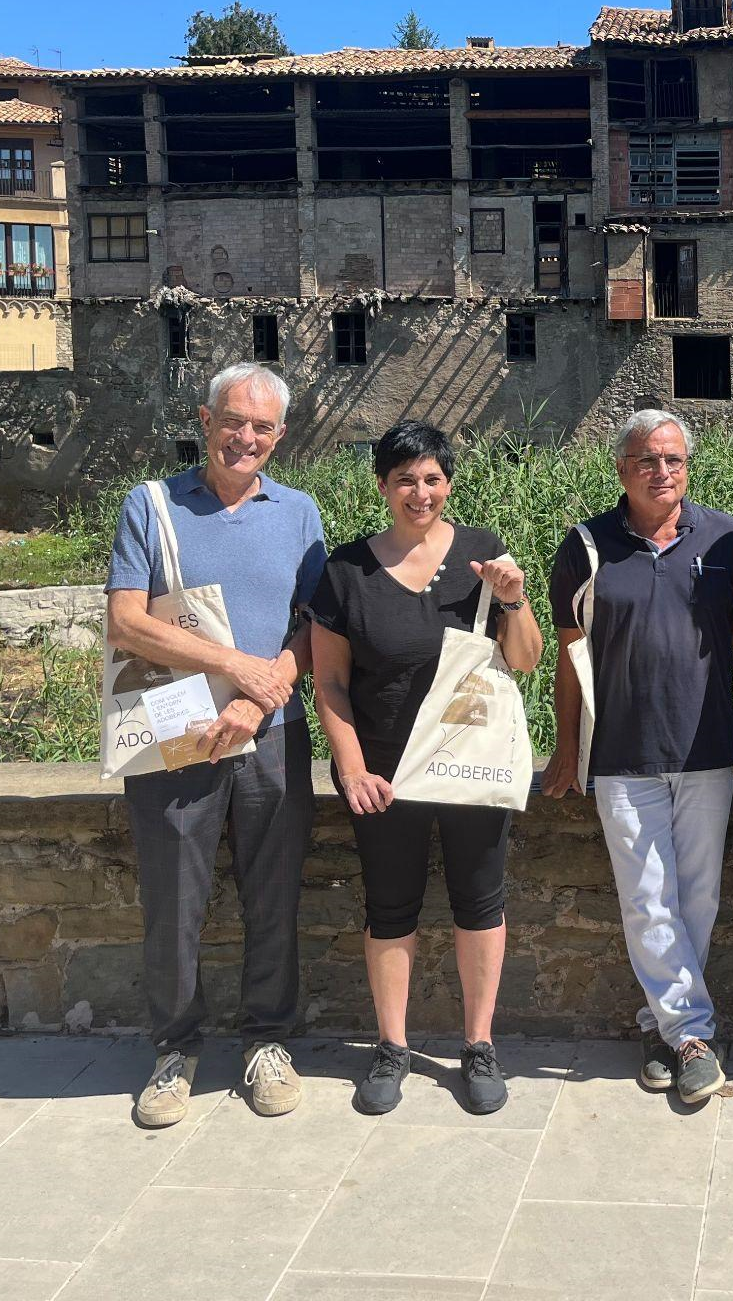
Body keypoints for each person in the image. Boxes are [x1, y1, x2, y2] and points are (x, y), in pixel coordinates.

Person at [106, 362, 327, 1129]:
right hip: (178, 732)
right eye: (233, 421)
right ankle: (174, 1051)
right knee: (173, 902)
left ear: (280, 436)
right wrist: (237, 667)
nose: (245, 437)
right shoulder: (151, 504)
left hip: (274, 734)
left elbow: (314, 626)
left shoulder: (300, 512)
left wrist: (261, 695)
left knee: (274, 897)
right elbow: (125, 623)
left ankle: (268, 1042)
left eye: (262, 427)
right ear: (205, 421)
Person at [308, 420, 543, 1116]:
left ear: (449, 483)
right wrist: (352, 769)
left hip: (471, 765)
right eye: (405, 479)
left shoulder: (481, 553)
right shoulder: (346, 571)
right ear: (382, 485)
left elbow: (527, 660)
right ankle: (391, 1047)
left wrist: (513, 598)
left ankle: (479, 1045)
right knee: (389, 907)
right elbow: (330, 683)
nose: (421, 492)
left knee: (481, 902)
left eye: (433, 478)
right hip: (385, 772)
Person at [543, 408, 733, 1107]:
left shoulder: (728, 540)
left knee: (699, 897)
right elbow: (570, 658)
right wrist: (566, 748)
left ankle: (660, 1027)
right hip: (621, 754)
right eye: (645, 460)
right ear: (621, 469)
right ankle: (692, 1037)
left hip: (706, 746)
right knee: (646, 898)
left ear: (688, 466)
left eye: (673, 460)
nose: (661, 471)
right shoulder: (585, 547)